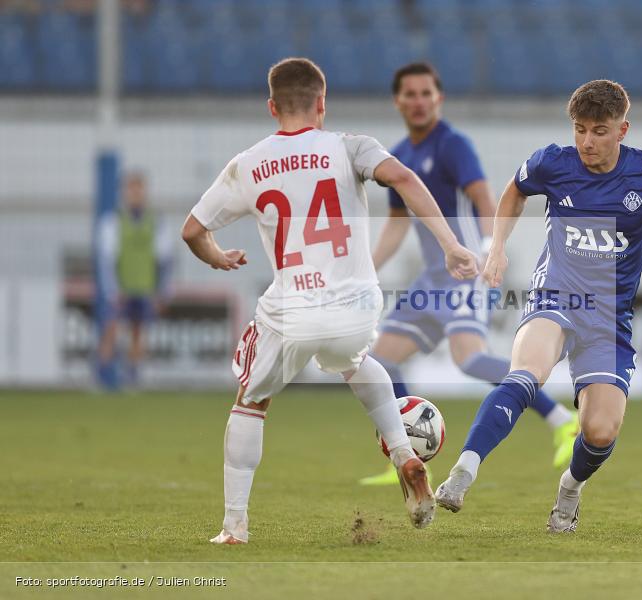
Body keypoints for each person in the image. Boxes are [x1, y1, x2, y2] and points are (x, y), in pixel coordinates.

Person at [181, 57, 477, 544]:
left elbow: (193, 231)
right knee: (355, 360)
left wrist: (216, 256)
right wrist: (450, 244)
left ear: (272, 106)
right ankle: (404, 453)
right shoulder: (350, 146)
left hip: (291, 309)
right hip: (356, 304)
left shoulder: (248, 163)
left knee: (251, 402)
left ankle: (234, 527)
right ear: (322, 104)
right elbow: (403, 179)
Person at [435, 80, 642, 532]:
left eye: (599, 131)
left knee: (601, 431)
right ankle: (462, 473)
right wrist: (496, 248)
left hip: (609, 319)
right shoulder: (554, 162)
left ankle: (570, 489)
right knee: (526, 373)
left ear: (622, 130)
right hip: (557, 296)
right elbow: (514, 190)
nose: (587, 141)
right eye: (580, 129)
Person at [358, 62, 578, 487]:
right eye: (411, 94)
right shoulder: (399, 155)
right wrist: (363, 270)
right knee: (381, 360)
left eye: (427, 93)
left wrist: (483, 249)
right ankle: (404, 453)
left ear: (438, 99)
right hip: (431, 281)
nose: (419, 101)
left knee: (470, 359)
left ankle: (562, 419)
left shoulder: (453, 145)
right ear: (397, 101)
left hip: (464, 274)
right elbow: (398, 224)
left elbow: (482, 198)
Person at [96, 171, 172, 388]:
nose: (135, 194)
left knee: (138, 332)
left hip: (145, 286)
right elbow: (107, 259)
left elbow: (164, 258)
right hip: (121, 288)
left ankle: (132, 379)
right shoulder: (113, 221)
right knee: (110, 330)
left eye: (139, 189)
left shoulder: (155, 221)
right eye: (131, 189)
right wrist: (112, 289)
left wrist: (162, 290)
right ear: (124, 193)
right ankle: (103, 378)